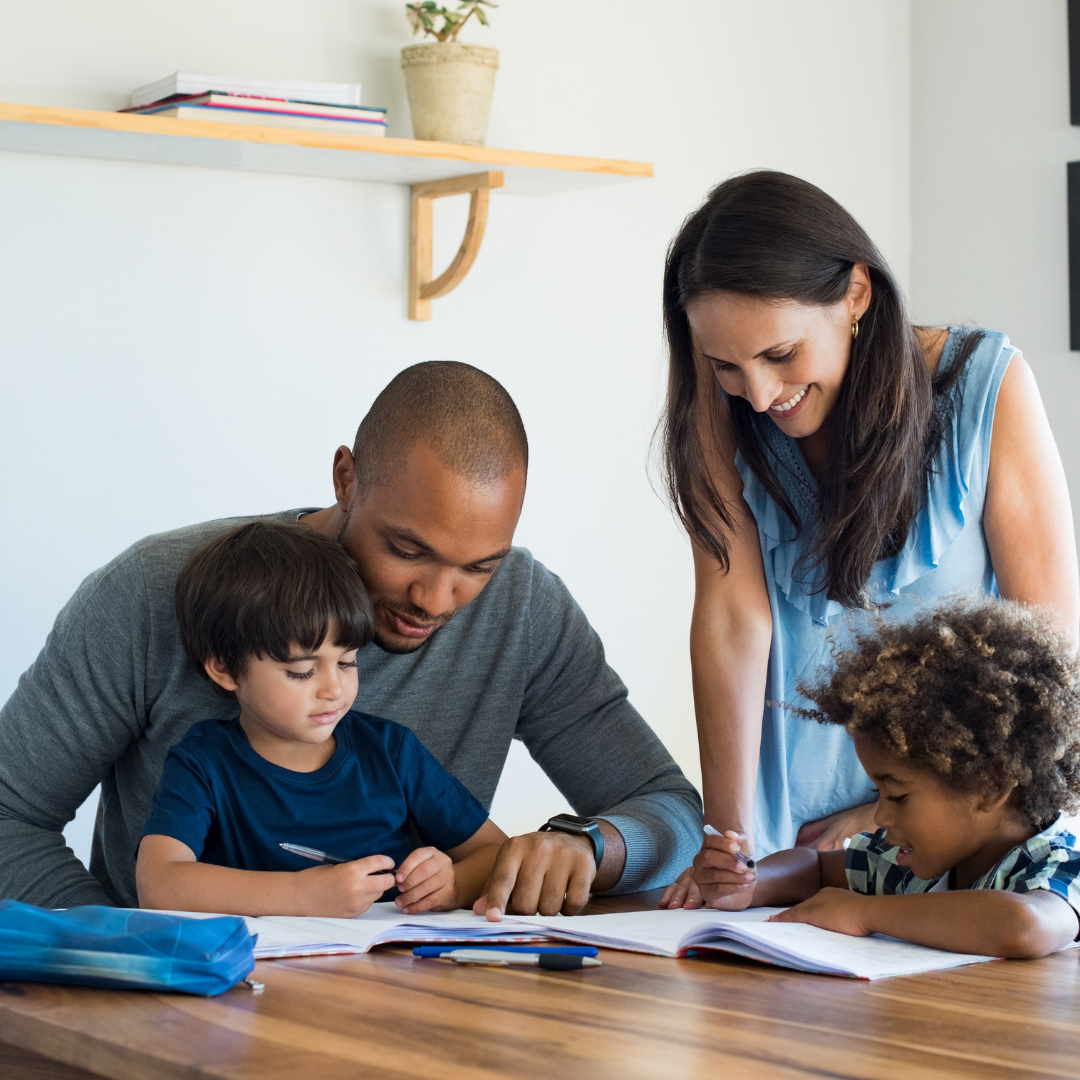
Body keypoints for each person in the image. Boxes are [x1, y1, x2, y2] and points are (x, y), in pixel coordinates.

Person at [0, 361, 701, 914]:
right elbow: (10, 818)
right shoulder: (155, 592)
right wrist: (123, 958)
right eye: (407, 549)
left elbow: (669, 808)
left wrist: (592, 845)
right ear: (346, 478)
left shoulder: (523, 607)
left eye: (478, 567)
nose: (436, 599)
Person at [658, 171, 1079, 909]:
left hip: (962, 838)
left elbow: (1049, 651)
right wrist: (728, 842)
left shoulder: (988, 386)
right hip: (786, 846)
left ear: (856, 294)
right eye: (727, 365)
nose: (758, 394)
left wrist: (884, 816)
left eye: (781, 355)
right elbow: (732, 621)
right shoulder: (723, 416)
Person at [137, 521, 508, 918]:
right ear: (226, 669)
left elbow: (496, 852)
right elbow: (159, 884)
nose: (333, 690)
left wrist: (452, 884)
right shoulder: (203, 764)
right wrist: (301, 895)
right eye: (302, 671)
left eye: (347, 662)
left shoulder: (390, 751)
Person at [695, 599, 1080, 958]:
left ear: (992, 785)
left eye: (897, 796)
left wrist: (866, 913)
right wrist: (750, 883)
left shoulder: (1058, 863)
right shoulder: (909, 861)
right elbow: (813, 867)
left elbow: (1023, 926)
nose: (879, 818)